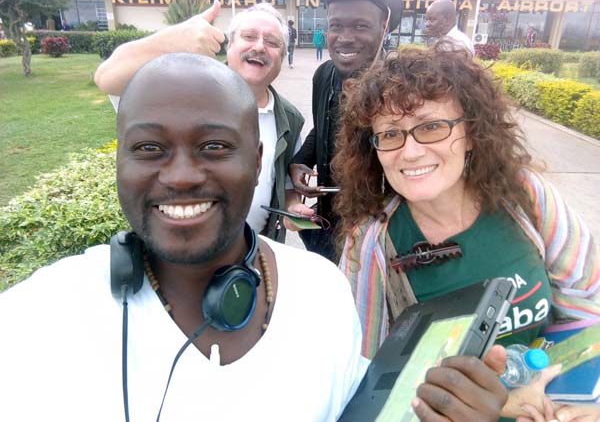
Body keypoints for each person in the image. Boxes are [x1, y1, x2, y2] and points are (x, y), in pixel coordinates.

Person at [0, 52, 509, 422]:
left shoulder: (323, 291)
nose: (179, 176)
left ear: (260, 161)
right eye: (149, 147)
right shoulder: (35, 319)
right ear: (119, 162)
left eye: (215, 145)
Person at [332, 45, 600, 420]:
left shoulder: (525, 197)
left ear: (471, 133)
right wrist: (497, 403)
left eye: (430, 127)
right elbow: (370, 379)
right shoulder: (372, 244)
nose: (409, 152)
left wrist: (571, 396)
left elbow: (585, 299)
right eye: (391, 134)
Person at [94, 2, 304, 243]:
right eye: (249, 36)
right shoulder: (179, 92)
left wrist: (293, 207)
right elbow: (106, 77)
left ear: (283, 56)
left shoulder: (289, 118)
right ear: (230, 44)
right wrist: (169, 43)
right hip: (172, 256)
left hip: (251, 260)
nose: (259, 46)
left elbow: (287, 184)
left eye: (272, 42)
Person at [287, 0, 403, 262]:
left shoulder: (401, 87)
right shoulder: (323, 75)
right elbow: (322, 126)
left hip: (382, 231)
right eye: (336, 26)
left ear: (383, 26)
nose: (345, 38)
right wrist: (300, 160)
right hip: (327, 221)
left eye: (360, 26)